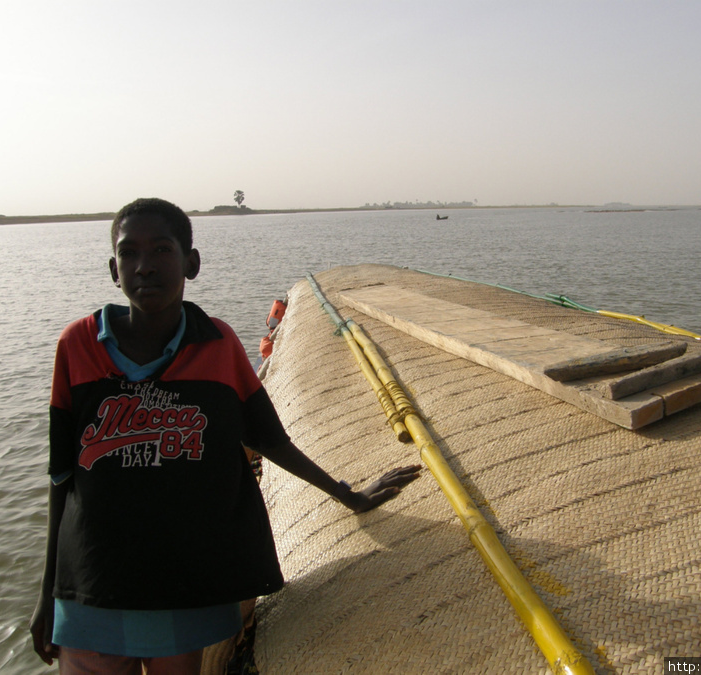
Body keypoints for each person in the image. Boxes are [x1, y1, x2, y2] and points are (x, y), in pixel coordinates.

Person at [29, 197, 421, 674]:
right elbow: (61, 475)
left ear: (191, 263)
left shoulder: (217, 345)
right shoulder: (77, 346)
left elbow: (271, 441)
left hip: (185, 582)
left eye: (162, 251)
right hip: (93, 580)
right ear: (114, 269)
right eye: (129, 253)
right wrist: (48, 593)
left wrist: (350, 496)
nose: (145, 266)